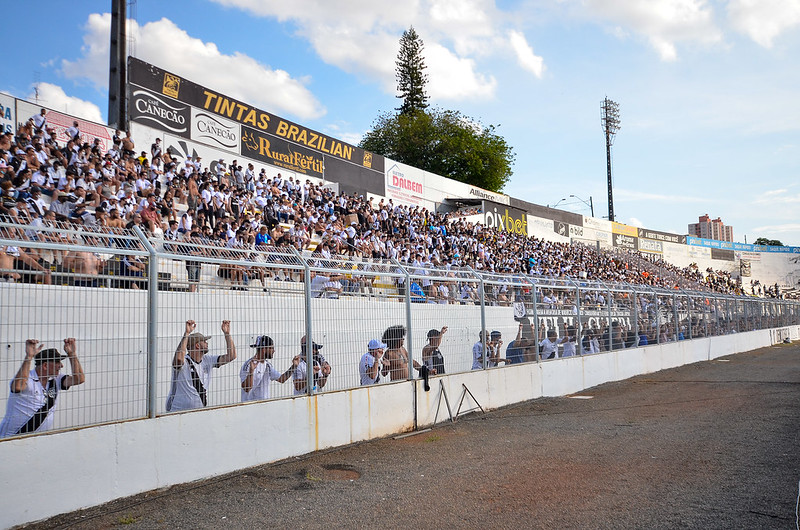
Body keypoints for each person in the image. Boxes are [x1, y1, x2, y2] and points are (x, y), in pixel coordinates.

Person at [0, 338, 85, 437]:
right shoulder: (27, 378)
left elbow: (79, 379)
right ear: (45, 365)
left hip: (38, 438)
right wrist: (29, 357)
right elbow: (18, 387)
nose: (61, 365)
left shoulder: (55, 379)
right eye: (57, 362)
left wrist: (72, 354)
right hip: (12, 438)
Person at [165, 320, 237, 412]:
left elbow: (232, 356)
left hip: (198, 411)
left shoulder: (208, 360)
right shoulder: (185, 361)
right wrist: (186, 334)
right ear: (198, 345)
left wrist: (227, 334)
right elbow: (178, 359)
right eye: (205, 341)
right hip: (177, 411)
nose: (207, 343)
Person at [240, 335, 299, 402]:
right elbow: (246, 388)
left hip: (264, 407)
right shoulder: (248, 365)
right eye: (271, 348)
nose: (274, 351)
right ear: (264, 349)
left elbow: (282, 379)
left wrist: (294, 366)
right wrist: (251, 371)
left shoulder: (267, 365)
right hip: (250, 407)